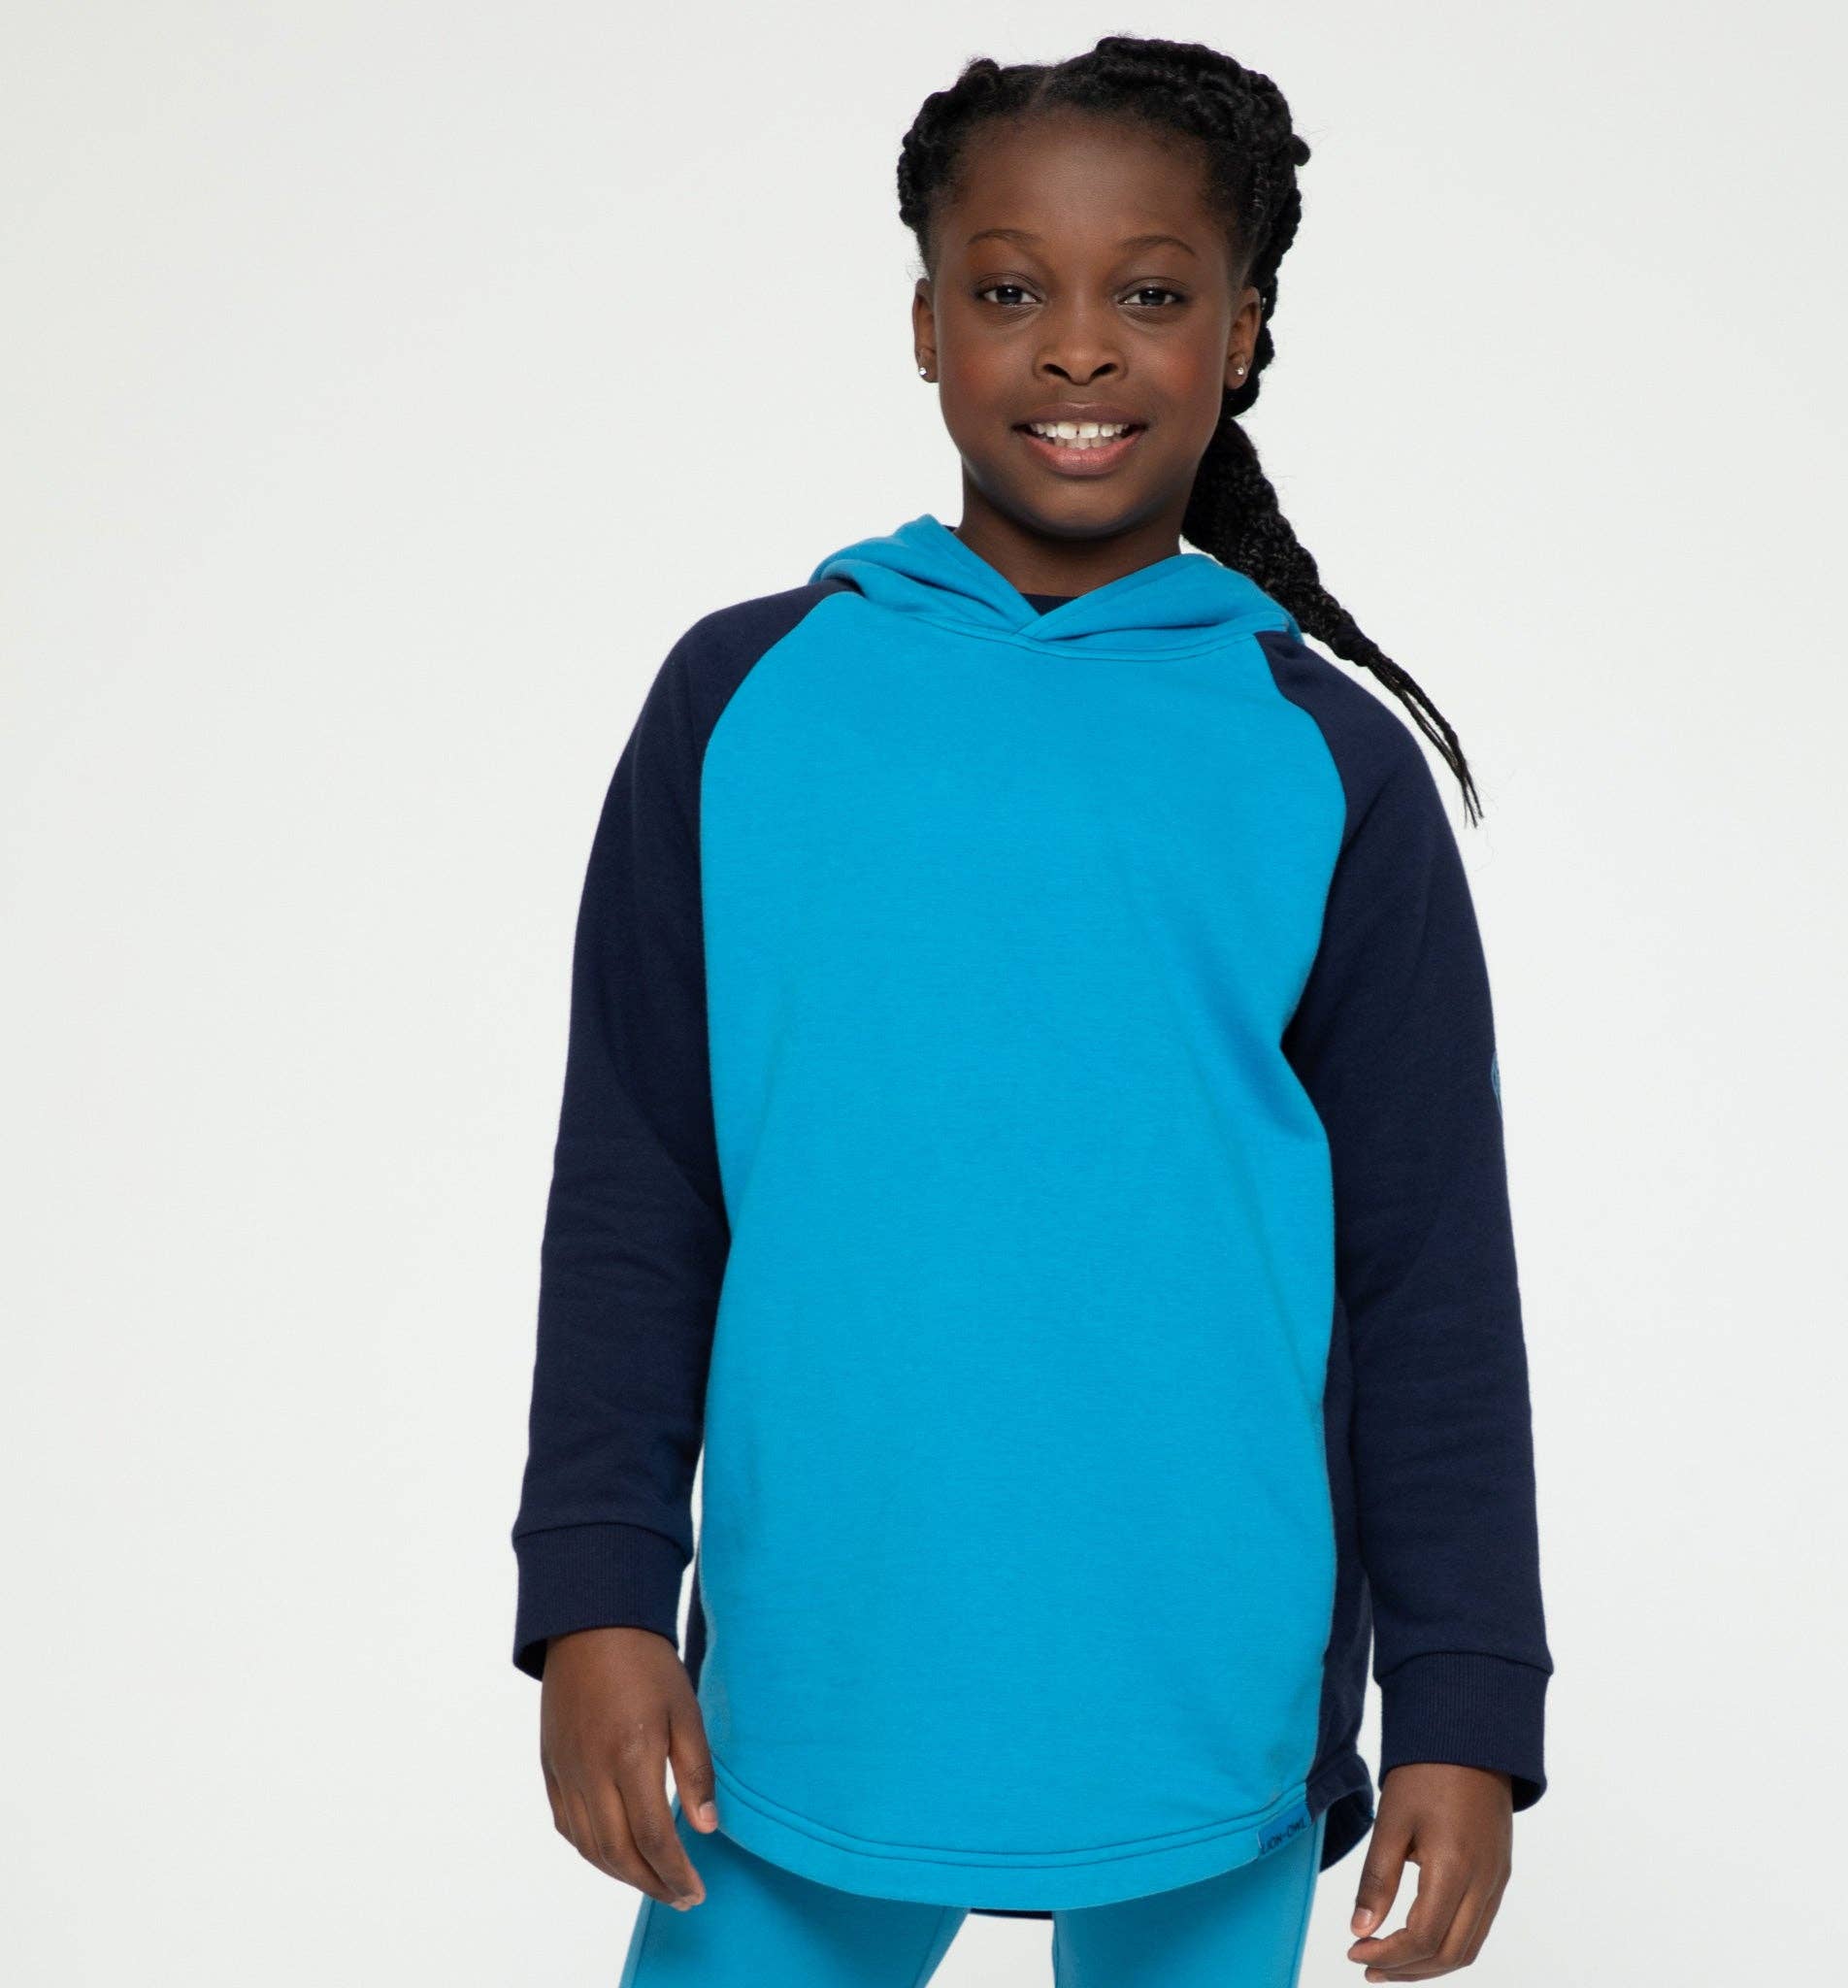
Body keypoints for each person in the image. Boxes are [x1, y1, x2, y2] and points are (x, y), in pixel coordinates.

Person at [510, 35, 1553, 1987]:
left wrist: (1467, 1699)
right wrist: (594, 1594)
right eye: (1009, 292)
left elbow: (1425, 1263)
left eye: (1149, 296)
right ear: (924, 324)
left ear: (1242, 334)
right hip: (815, 1664)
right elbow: (638, 1182)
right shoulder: (745, 703)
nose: (1077, 348)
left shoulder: (1323, 761)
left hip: (1204, 1676)